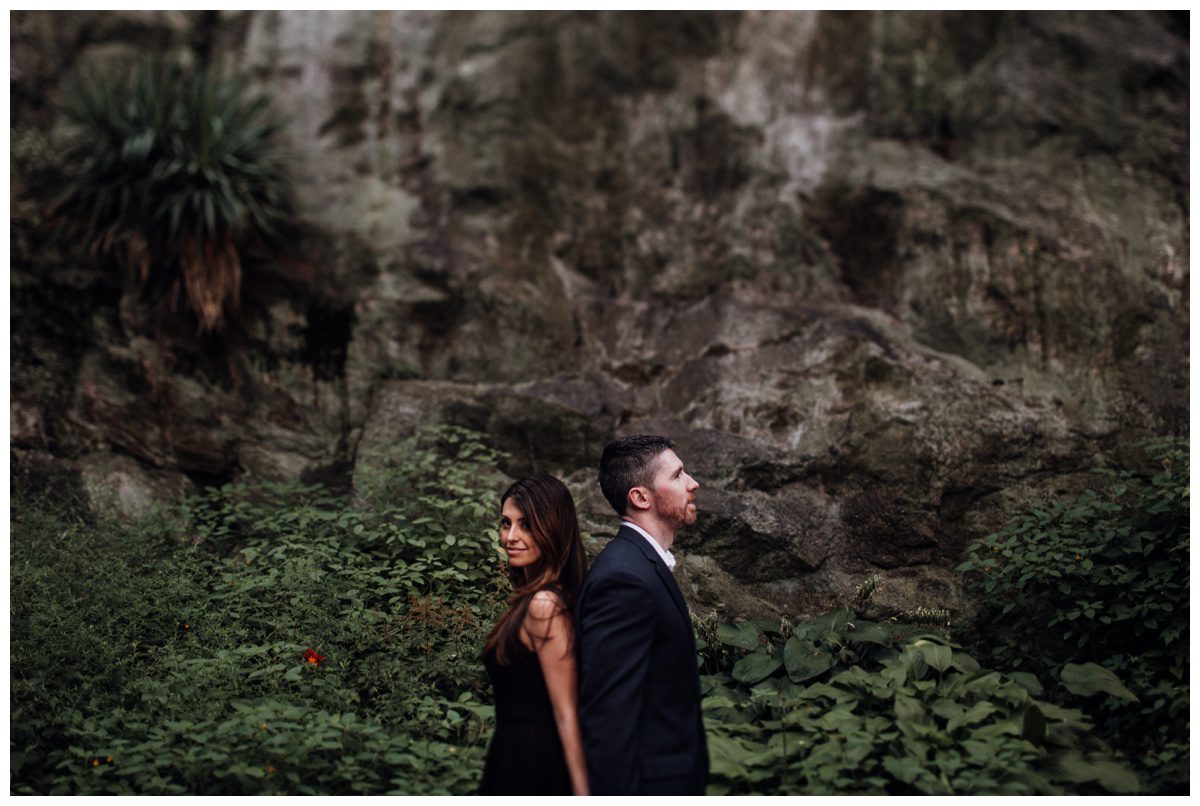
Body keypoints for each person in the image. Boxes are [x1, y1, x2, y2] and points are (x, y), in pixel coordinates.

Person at [576, 435, 708, 795]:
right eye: (678, 475)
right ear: (640, 497)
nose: (693, 483)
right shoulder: (624, 580)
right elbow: (608, 719)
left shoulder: (640, 564)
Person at [479, 475, 590, 796]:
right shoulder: (534, 598)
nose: (510, 536)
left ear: (553, 528)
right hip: (513, 758)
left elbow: (566, 712)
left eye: (526, 525)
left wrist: (584, 795)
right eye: (506, 523)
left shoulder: (545, 605)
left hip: (534, 769)